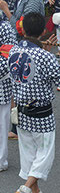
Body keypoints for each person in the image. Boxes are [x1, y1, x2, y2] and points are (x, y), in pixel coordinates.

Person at [10, 13, 60, 193]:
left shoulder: (13, 51)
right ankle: (26, 190)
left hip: (21, 110)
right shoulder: (45, 57)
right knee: (44, 154)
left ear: (23, 30)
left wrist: (45, 52)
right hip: (41, 112)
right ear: (44, 31)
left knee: (28, 153)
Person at [0, 16, 16, 172]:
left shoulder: (4, 28)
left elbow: (8, 56)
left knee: (1, 125)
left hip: (1, 83)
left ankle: (0, 160)